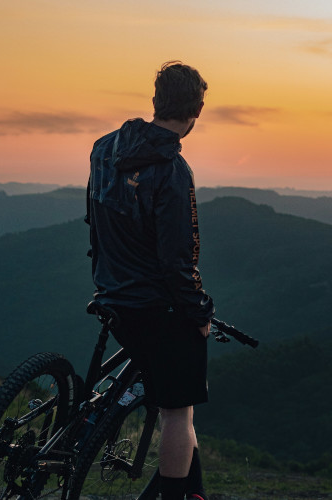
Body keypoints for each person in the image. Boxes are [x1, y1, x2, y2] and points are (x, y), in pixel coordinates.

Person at [86, 61, 214, 500]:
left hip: (110, 292)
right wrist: (200, 313)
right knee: (178, 411)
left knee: (158, 380)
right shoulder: (174, 172)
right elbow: (178, 260)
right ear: (196, 110)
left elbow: (96, 217)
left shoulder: (104, 148)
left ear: (156, 100)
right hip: (158, 307)